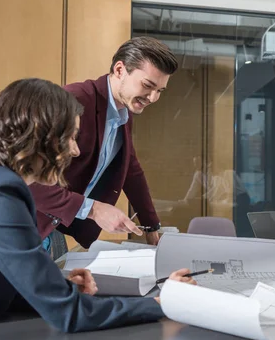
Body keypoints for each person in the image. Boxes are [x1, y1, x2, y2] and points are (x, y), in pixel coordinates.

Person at [0, 78, 194, 332]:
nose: (75, 151)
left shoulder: (0, 184)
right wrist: (163, 303)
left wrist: (61, 289)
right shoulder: (0, 194)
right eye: (71, 138)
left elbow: (2, 279)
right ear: (43, 135)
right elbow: (70, 314)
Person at [30, 37, 179, 253]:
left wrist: (151, 225)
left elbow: (130, 169)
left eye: (160, 91)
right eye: (148, 86)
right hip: (25, 223)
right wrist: (94, 209)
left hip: (54, 227)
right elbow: (24, 177)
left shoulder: (123, 111)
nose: (153, 98)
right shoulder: (72, 100)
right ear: (120, 70)